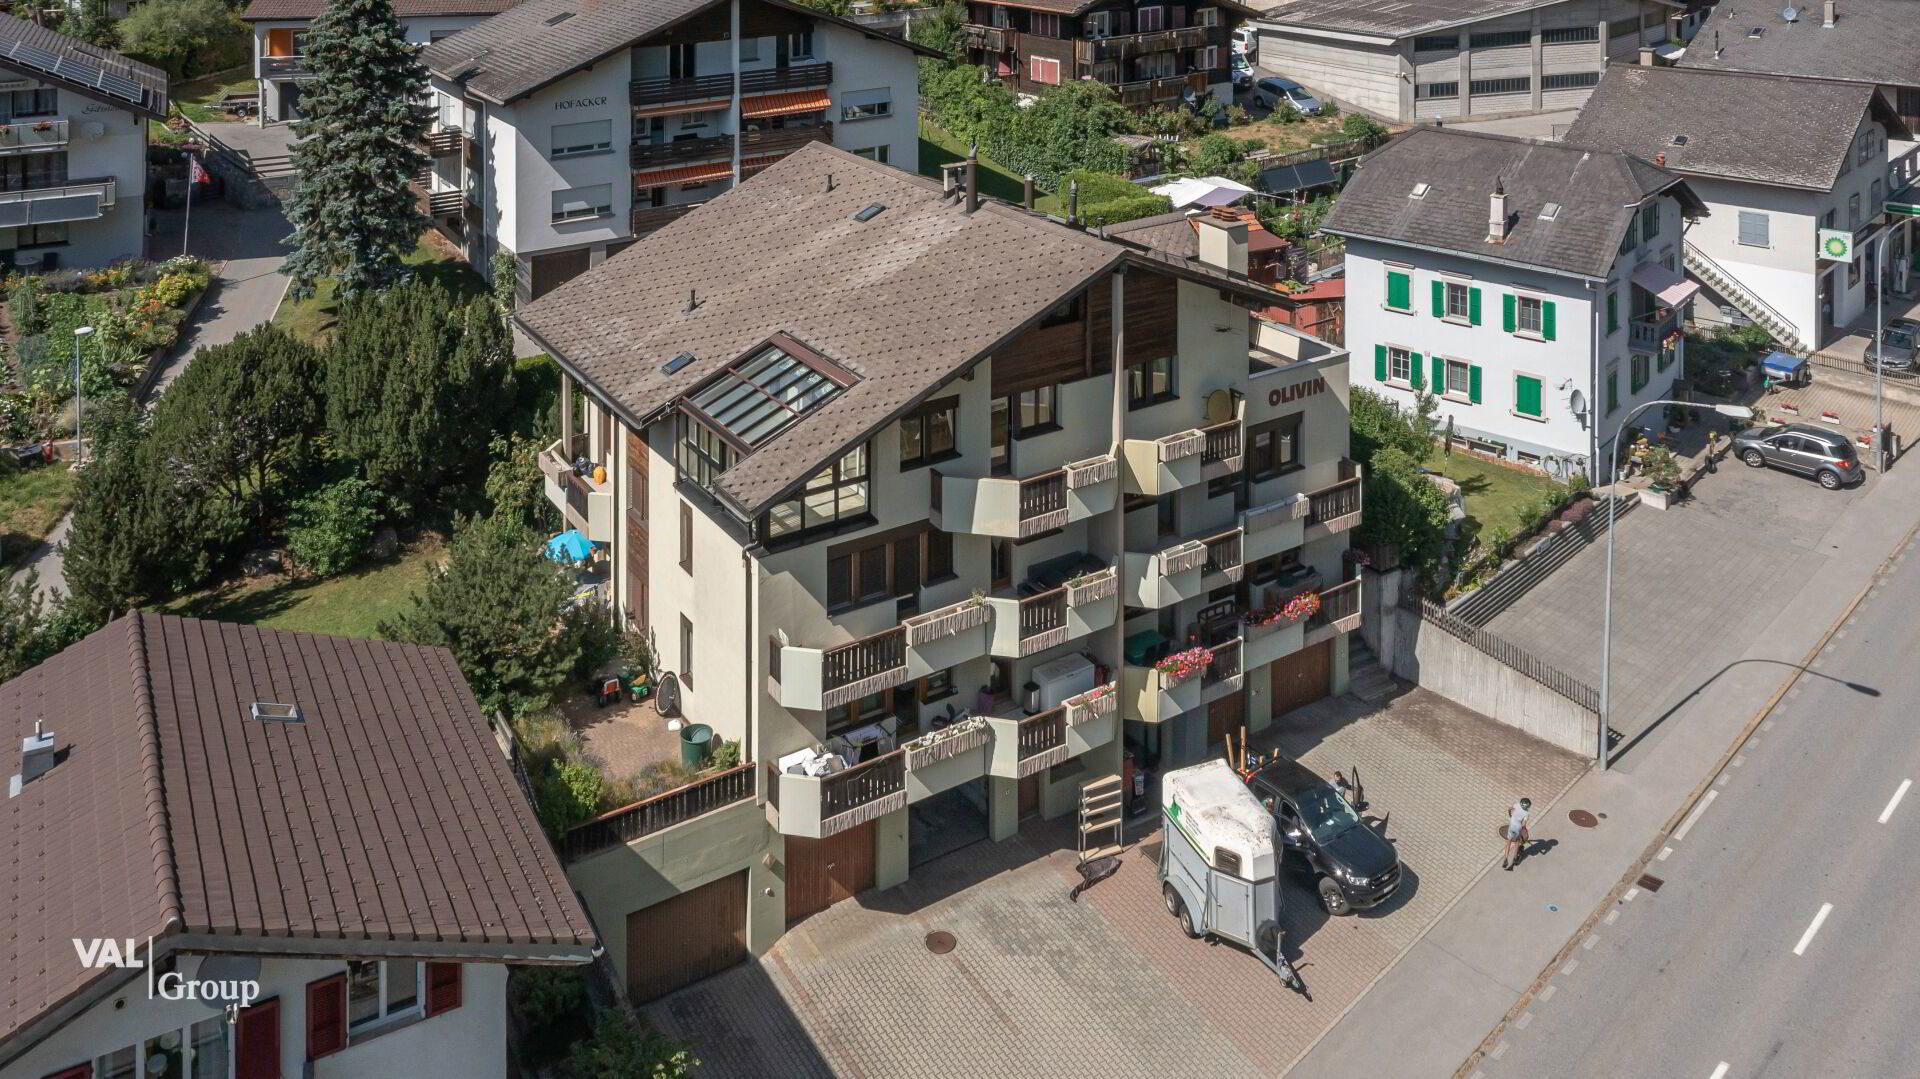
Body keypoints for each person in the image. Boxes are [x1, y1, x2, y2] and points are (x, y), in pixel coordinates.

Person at [1502, 798, 1532, 871]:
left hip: (1512, 825)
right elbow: (1523, 824)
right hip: (1518, 827)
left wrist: (1510, 815)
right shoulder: (1527, 813)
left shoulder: (1517, 805)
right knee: (1517, 842)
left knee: (1508, 841)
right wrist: (1524, 829)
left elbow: (1509, 809)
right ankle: (1515, 858)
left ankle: (1505, 859)